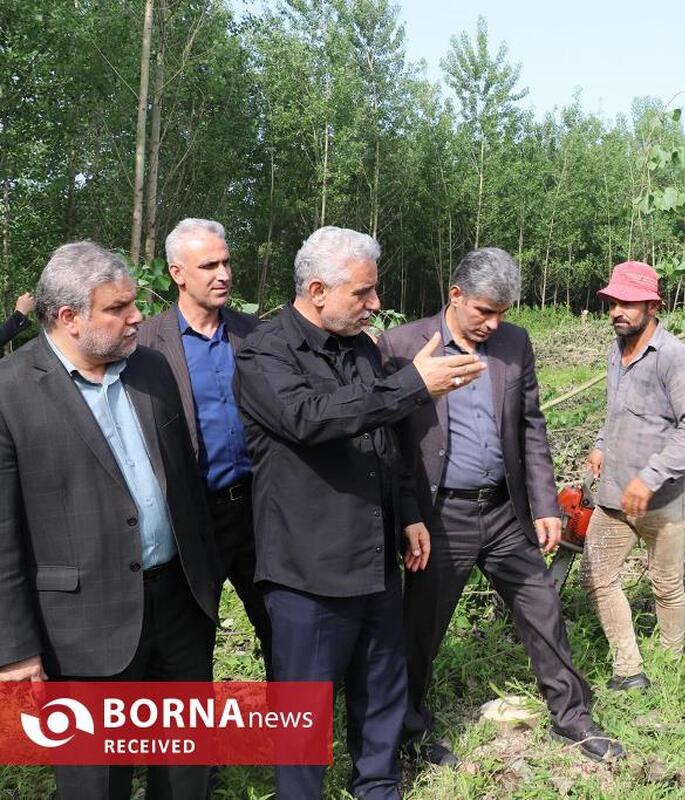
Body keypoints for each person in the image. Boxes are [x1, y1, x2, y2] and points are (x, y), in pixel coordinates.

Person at [234, 226, 483, 799]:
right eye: (363, 293)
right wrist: (412, 386)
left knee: (381, 688)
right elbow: (312, 418)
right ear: (317, 290)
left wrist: (411, 513)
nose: (375, 305)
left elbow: (384, 440)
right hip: (308, 570)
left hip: (374, 556)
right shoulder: (265, 352)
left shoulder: (363, 348)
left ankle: (379, 786)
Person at [378, 247, 624, 765]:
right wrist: (409, 516)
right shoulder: (403, 346)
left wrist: (545, 504)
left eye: (502, 313)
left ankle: (572, 717)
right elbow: (393, 447)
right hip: (439, 517)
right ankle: (406, 733)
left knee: (542, 608)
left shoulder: (514, 344)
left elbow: (531, 427)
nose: (493, 323)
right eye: (483, 311)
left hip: (504, 512)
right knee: (420, 628)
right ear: (456, 295)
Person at [0, 242, 222, 799]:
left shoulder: (150, 367)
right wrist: (15, 651)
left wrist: (206, 577)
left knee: (183, 767)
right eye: (118, 307)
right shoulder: (10, 391)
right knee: (97, 782)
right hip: (81, 625)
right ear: (68, 318)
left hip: (177, 604)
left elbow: (184, 479)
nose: (137, 316)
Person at [138, 218, 272, 678]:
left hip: (258, 510)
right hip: (192, 517)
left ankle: (289, 742)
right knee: (192, 641)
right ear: (177, 273)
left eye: (227, 262)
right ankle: (196, 747)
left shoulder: (255, 335)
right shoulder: (144, 346)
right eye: (209, 265)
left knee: (280, 626)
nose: (224, 274)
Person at [580, 260, 685, 691]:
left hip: (663, 498)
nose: (617, 310)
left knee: (665, 584)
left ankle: (671, 663)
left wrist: (650, 477)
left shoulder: (676, 359)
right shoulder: (616, 352)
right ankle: (628, 667)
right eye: (613, 302)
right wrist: (602, 442)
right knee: (597, 574)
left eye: (628, 303)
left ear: (653, 305)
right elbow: (617, 408)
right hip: (615, 492)